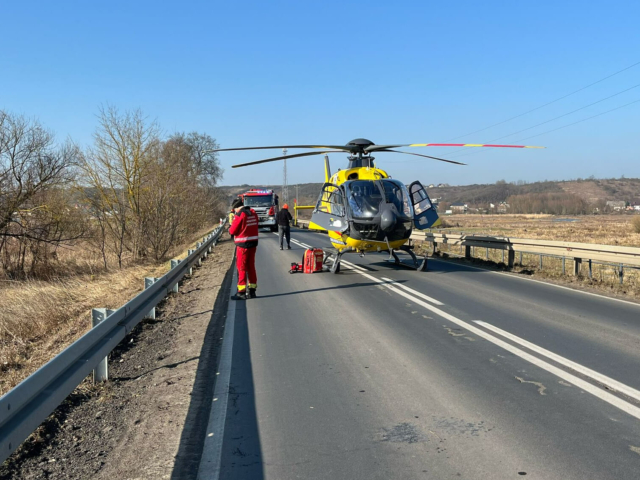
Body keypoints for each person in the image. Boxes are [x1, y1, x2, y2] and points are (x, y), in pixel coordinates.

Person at [228, 197, 259, 300]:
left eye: (234, 210)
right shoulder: (253, 213)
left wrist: (231, 226)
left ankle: (241, 292)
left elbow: (232, 231)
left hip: (242, 245)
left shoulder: (240, 215)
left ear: (236, 208)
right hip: (253, 244)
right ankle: (252, 291)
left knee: (241, 268)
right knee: (251, 267)